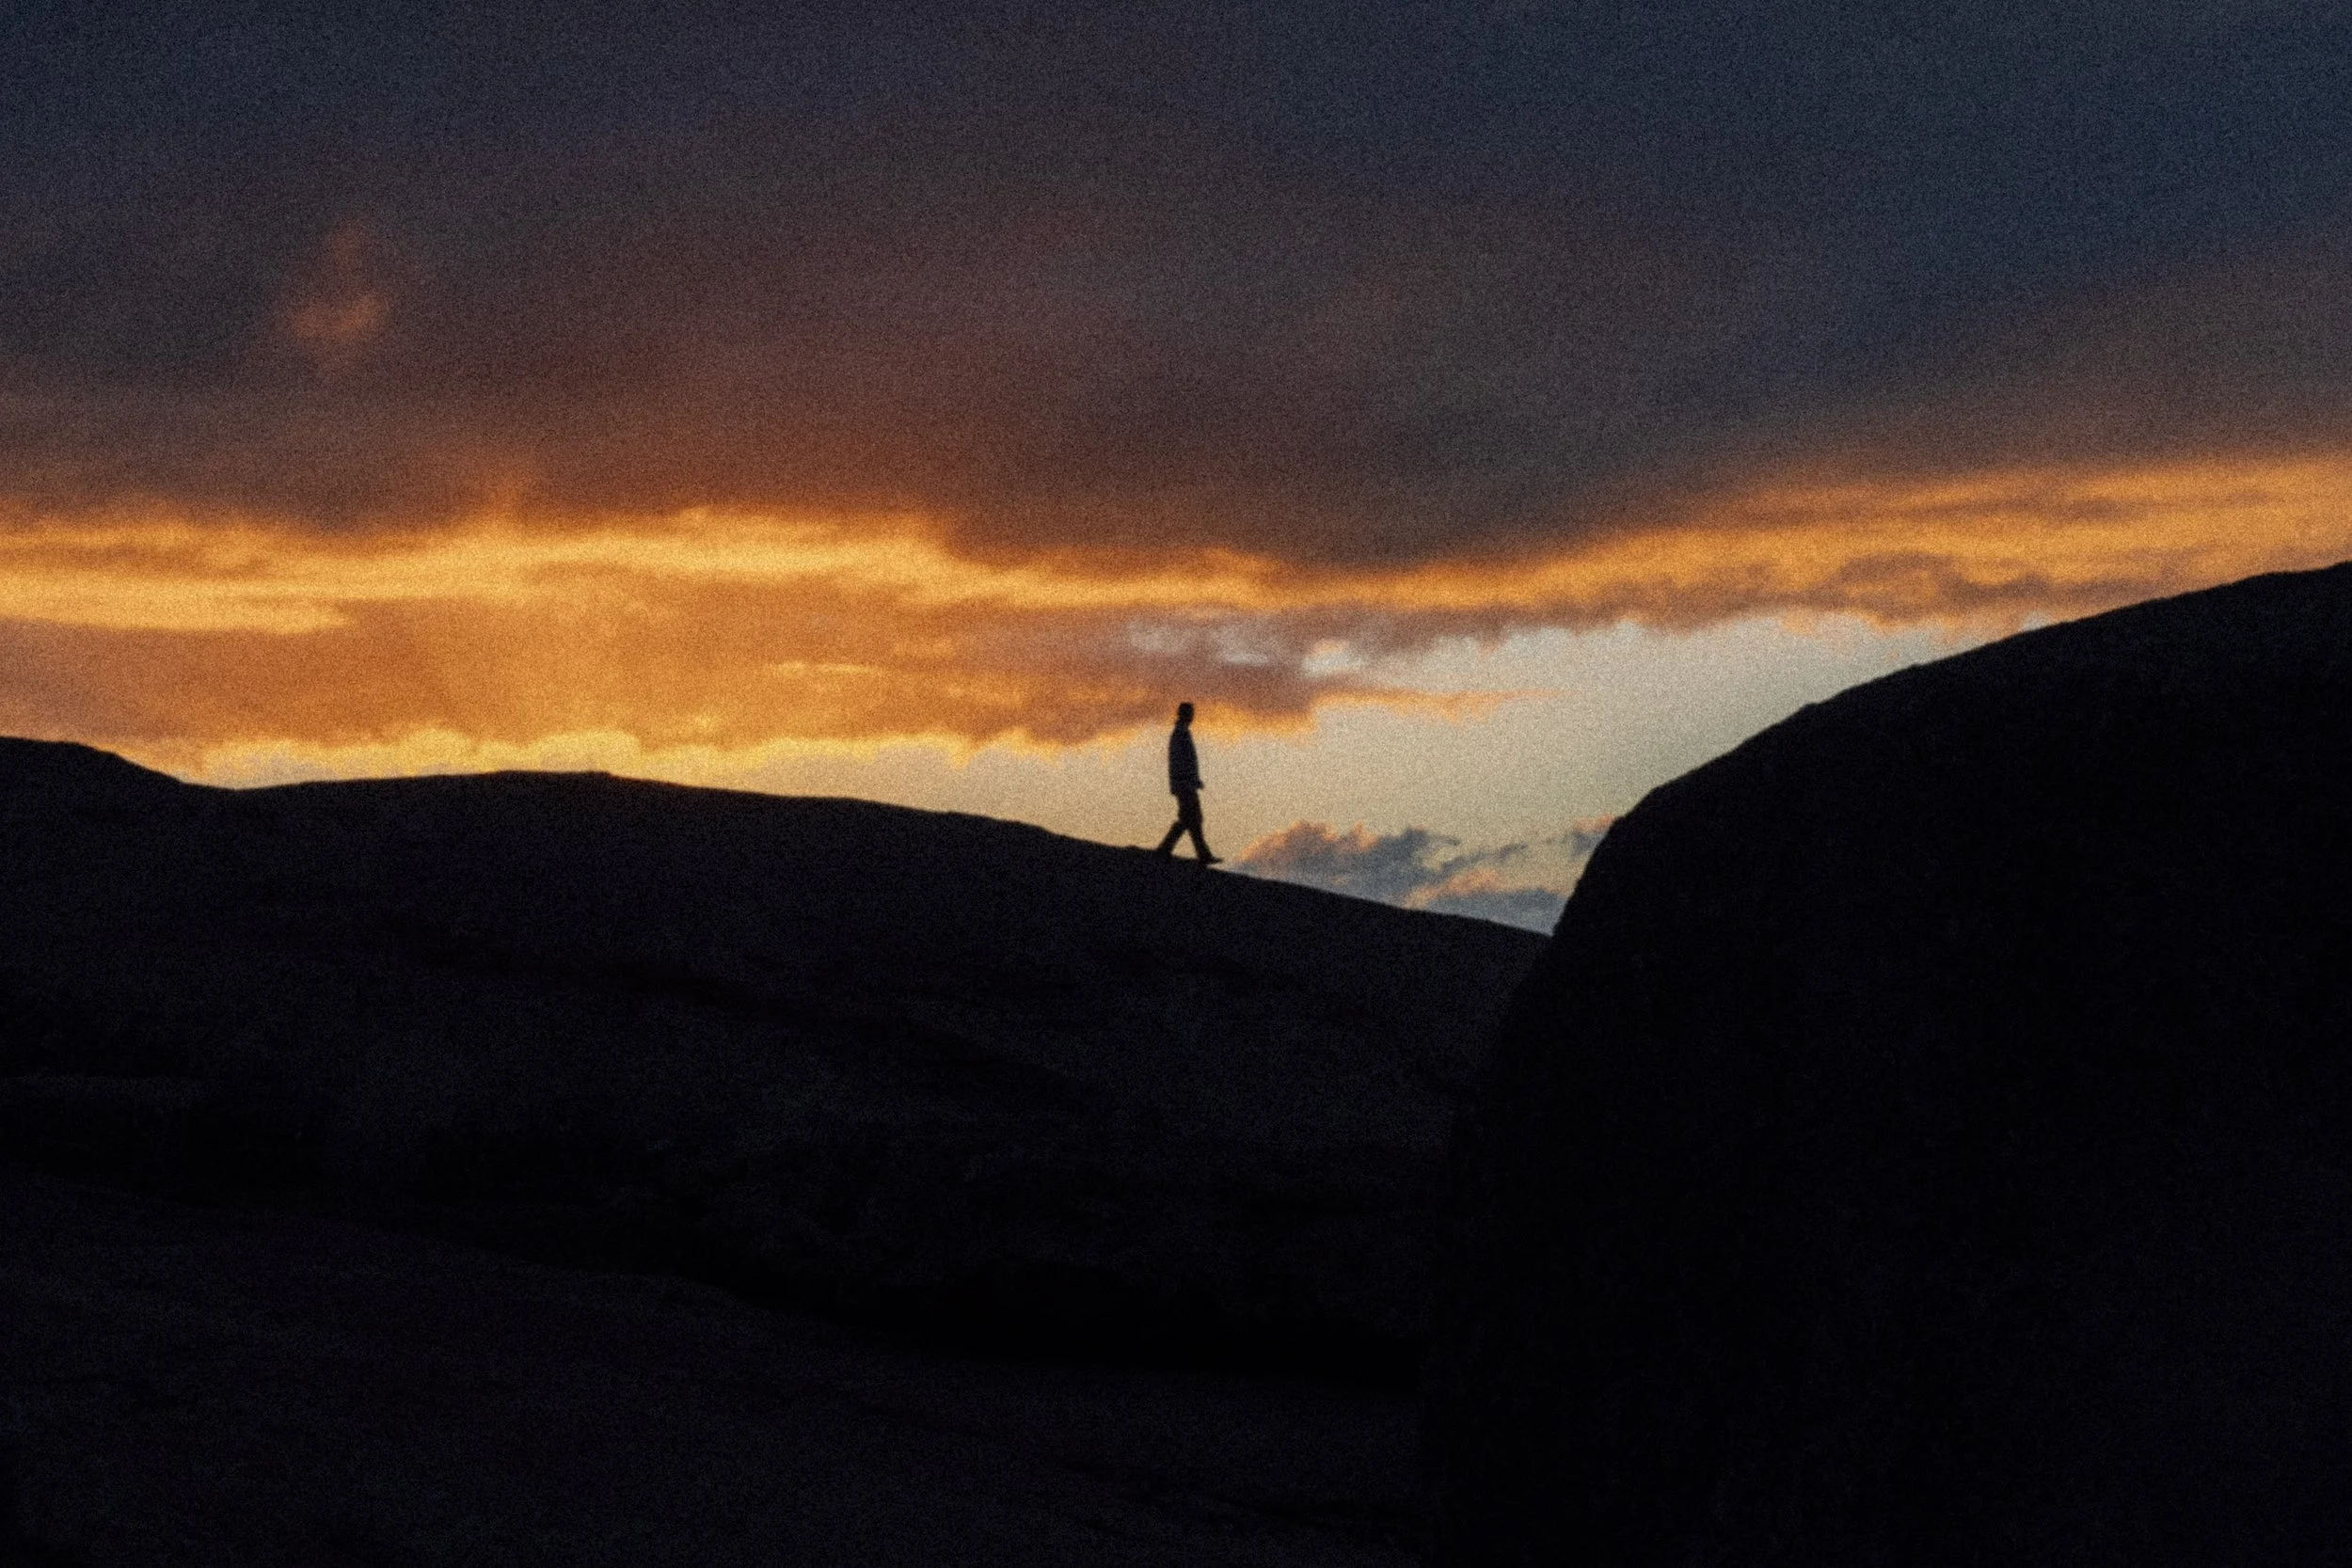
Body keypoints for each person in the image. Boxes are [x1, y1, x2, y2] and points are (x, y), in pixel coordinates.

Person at [1153, 701, 1220, 863]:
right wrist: (1189, 780)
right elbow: (1181, 761)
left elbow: (1184, 761)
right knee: (1193, 818)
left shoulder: (1182, 733)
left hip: (1185, 783)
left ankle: (1167, 848)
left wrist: (1194, 779)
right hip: (1184, 784)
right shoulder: (1180, 734)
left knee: (1188, 819)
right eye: (1190, 713)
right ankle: (1201, 854)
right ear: (1184, 714)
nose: (1192, 716)